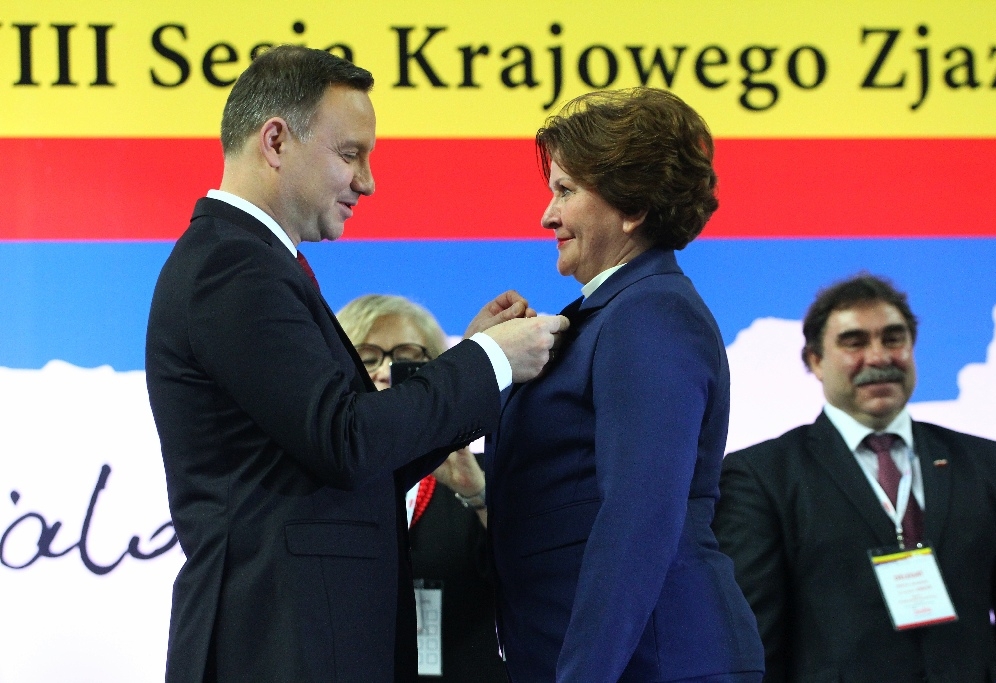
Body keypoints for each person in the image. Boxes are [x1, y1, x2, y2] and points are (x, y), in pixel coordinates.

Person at [145, 46, 567, 683]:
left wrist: (465, 360)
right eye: (350, 155)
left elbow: (362, 457)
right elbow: (348, 440)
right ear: (276, 141)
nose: (367, 182)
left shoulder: (250, 262)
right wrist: (488, 363)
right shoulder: (231, 267)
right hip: (274, 650)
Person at [485, 87, 764, 683]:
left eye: (566, 191)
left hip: (653, 663)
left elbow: (638, 518)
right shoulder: (608, 315)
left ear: (632, 207)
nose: (547, 216)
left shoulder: (650, 313)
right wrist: (485, 365)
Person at [712, 274, 996, 683]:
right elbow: (755, 639)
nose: (878, 357)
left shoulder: (986, 464)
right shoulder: (762, 477)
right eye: (854, 342)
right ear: (815, 361)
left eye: (893, 339)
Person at [336, 294, 507, 683]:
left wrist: (477, 494)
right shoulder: (321, 487)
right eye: (367, 358)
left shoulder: (479, 475)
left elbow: (536, 578)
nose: (385, 372)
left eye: (407, 359)